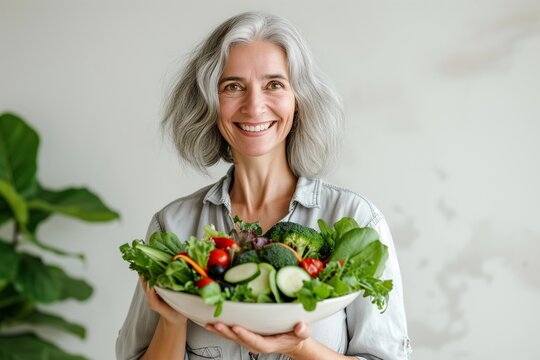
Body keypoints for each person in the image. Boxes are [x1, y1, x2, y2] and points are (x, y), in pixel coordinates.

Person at [116, 11, 411, 360]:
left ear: (299, 100)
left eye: (274, 84)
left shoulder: (355, 220)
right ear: (210, 103)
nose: (254, 106)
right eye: (233, 86)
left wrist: (302, 348)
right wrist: (173, 320)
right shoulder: (175, 228)